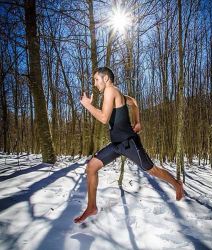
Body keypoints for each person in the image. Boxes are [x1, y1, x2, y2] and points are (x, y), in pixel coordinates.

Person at [74, 67, 184, 223]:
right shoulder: (117, 93)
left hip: (129, 143)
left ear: (106, 79)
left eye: (96, 79)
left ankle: (176, 184)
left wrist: (87, 105)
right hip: (117, 145)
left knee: (152, 170)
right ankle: (91, 207)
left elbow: (104, 118)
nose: (95, 84)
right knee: (92, 167)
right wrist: (137, 121)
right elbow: (133, 102)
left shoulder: (110, 90)